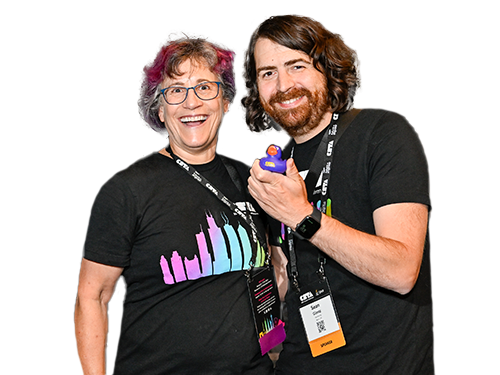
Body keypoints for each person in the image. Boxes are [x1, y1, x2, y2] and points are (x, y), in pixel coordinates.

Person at [241, 15, 435, 374]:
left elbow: (402, 271)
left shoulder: (383, 134)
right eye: (267, 73)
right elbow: (285, 275)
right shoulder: (278, 166)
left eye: (296, 65)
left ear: (327, 69)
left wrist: (302, 216)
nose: (283, 85)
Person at [74, 35, 275, 375]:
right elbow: (92, 298)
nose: (191, 103)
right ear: (160, 109)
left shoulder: (253, 181)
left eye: (204, 88)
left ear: (225, 102)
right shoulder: (126, 189)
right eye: (175, 91)